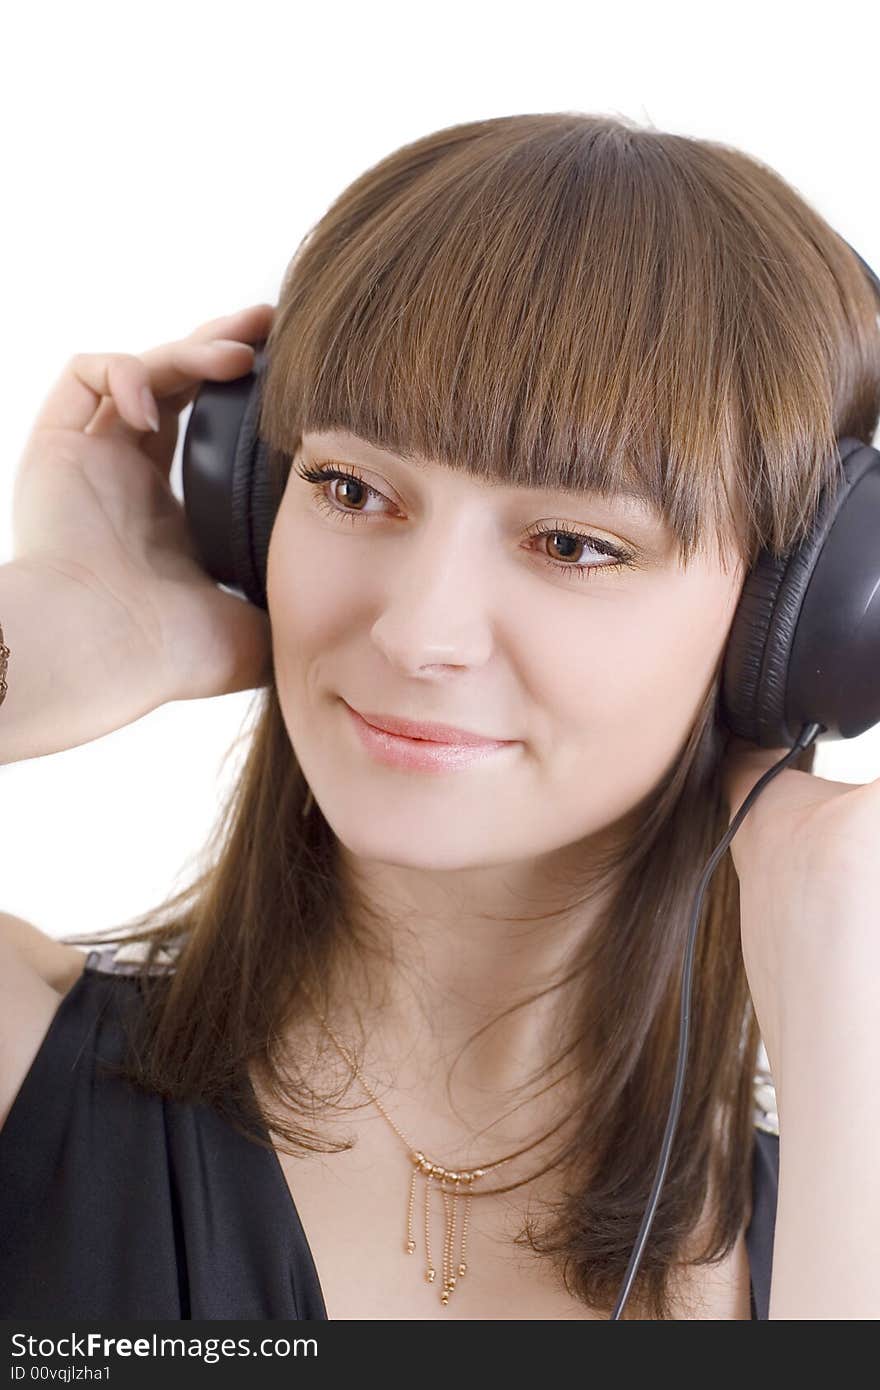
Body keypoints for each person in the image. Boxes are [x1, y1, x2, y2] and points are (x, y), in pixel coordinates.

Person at [1, 111, 877, 1322]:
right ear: (248, 509)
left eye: (574, 541)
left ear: (795, 624)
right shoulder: (24, 1069)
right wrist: (51, 634)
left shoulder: (850, 1197)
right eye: (350, 487)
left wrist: (845, 983)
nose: (417, 631)